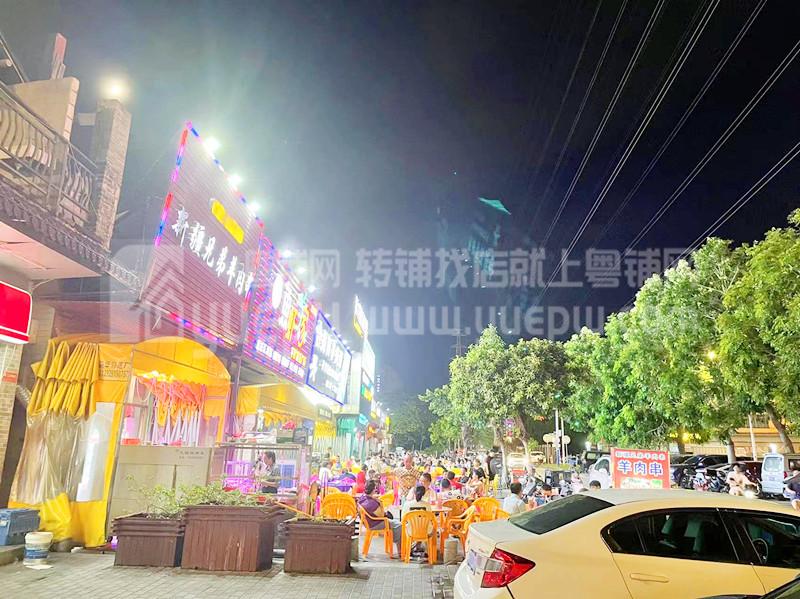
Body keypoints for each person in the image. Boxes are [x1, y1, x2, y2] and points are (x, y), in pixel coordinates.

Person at [358, 480, 401, 554]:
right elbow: (381, 515)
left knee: (395, 523)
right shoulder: (372, 503)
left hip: (369, 522)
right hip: (376, 523)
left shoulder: (362, 498)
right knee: (399, 525)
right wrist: (380, 503)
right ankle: (400, 549)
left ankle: (399, 546)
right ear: (373, 490)